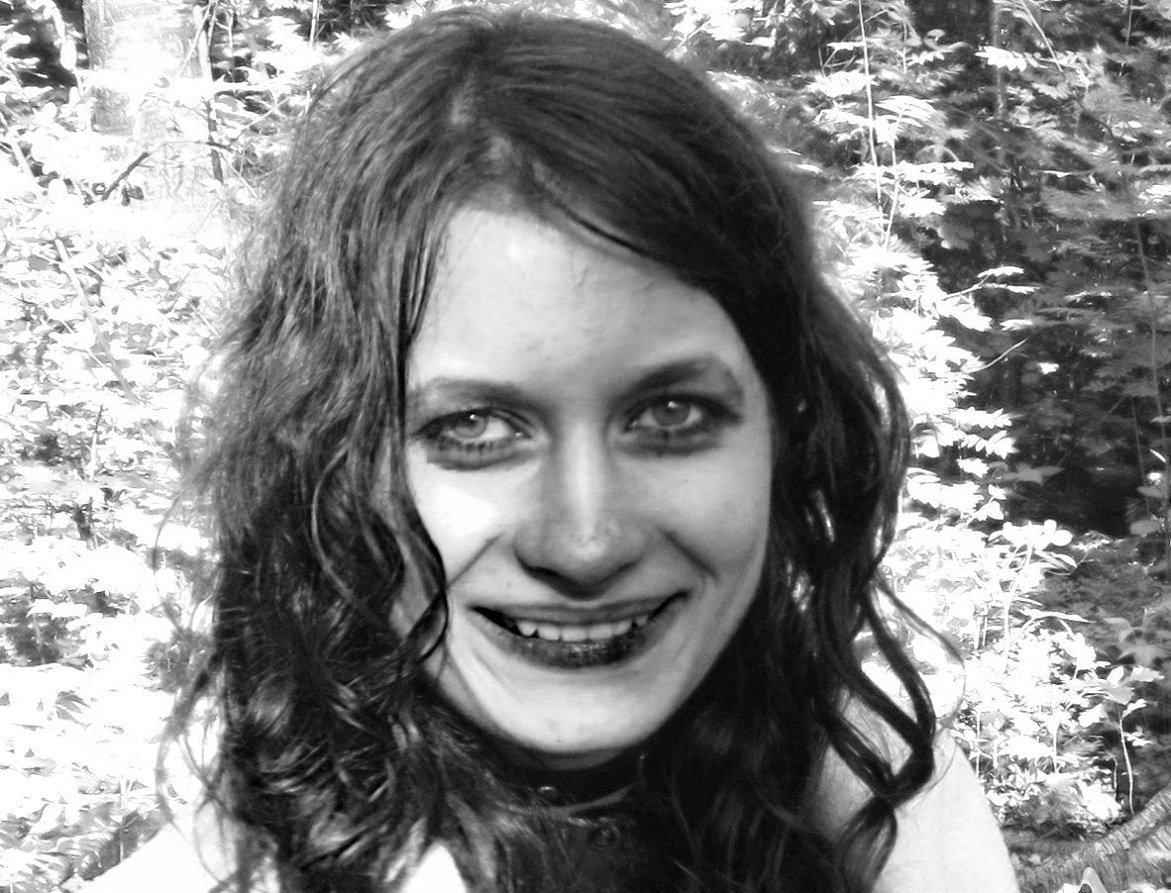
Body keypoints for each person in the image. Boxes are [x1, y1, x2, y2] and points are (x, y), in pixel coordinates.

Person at [87, 7, 1019, 893]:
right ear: (331, 463)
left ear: (789, 433)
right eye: (474, 428)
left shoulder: (886, 796)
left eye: (670, 413)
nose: (585, 543)